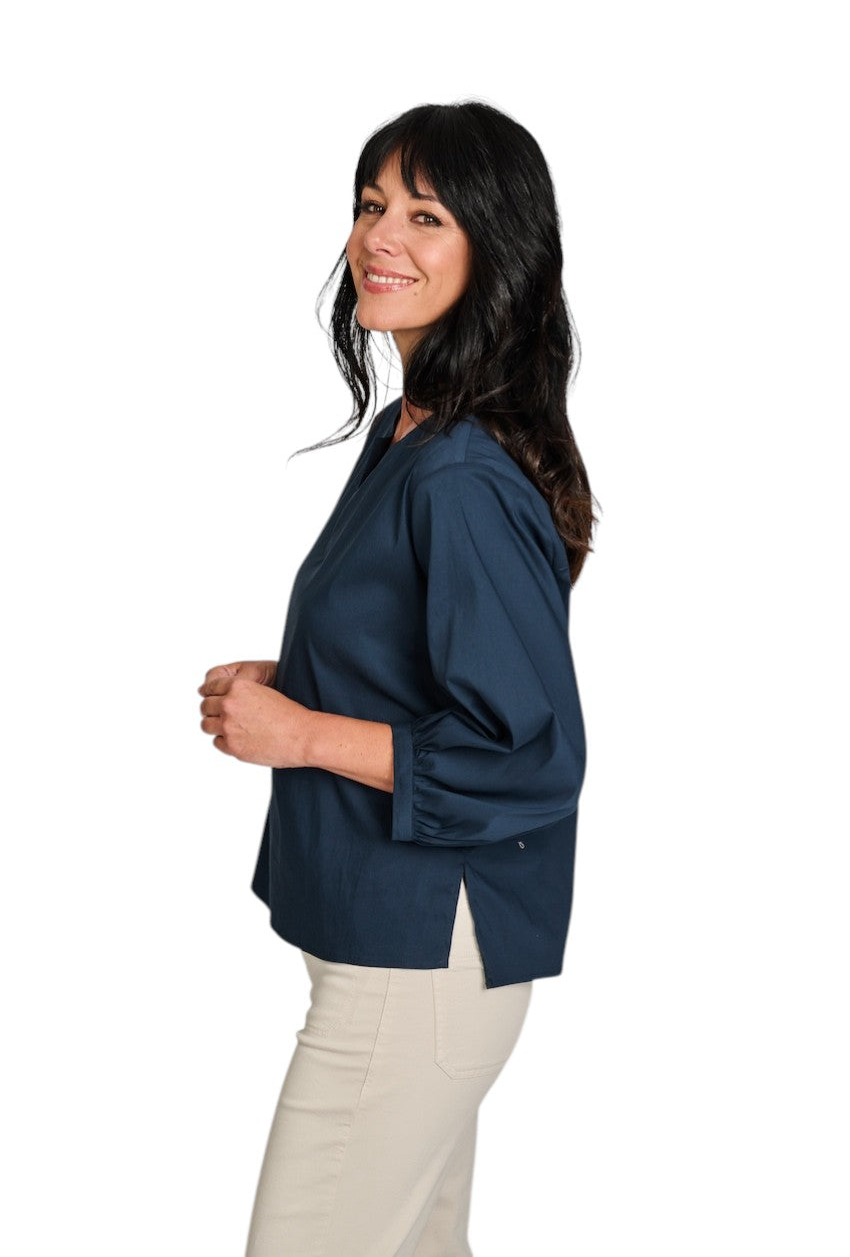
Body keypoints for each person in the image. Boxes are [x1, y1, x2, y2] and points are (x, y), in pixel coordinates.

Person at [197, 99, 597, 1257]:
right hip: (392, 947)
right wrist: (302, 679)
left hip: (419, 953)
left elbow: (528, 754)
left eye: (426, 216)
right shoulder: (407, 434)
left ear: (494, 250)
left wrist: (303, 735)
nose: (381, 236)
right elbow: (430, 662)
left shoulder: (459, 473)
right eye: (372, 204)